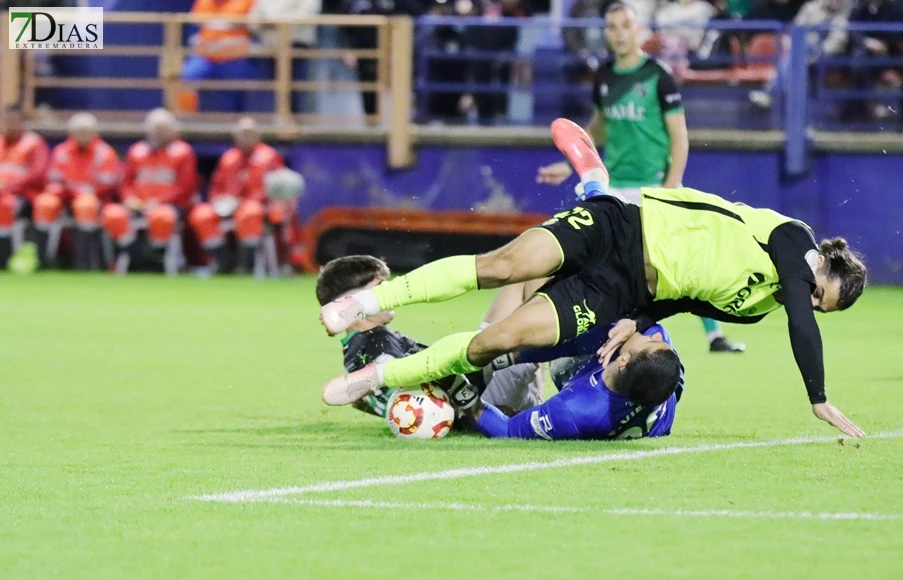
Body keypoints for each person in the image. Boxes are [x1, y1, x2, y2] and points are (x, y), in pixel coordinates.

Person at [320, 118, 868, 438]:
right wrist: (816, 396)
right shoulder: (794, 238)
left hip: (624, 290)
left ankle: (384, 375)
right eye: (823, 294)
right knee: (503, 267)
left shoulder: (757, 304)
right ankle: (368, 302)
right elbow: (801, 310)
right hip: (625, 227)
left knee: (499, 340)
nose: (814, 305)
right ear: (821, 261)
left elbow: (686, 301)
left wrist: (635, 320)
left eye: (824, 309)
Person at [536, 3, 744, 354]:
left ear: (638, 31)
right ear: (606, 33)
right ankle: (570, 331)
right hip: (613, 186)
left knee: (684, 259)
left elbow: (679, 135)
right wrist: (572, 163)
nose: (618, 33)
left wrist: (670, 187)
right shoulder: (604, 77)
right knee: (585, 257)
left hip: (653, 185)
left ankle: (714, 335)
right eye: (612, 27)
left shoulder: (658, 76)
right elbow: (600, 127)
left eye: (624, 26)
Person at [316, 255, 543, 419]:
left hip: (477, 382)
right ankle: (564, 382)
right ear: (354, 300)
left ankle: (536, 399)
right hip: (481, 394)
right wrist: (475, 413)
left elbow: (377, 397)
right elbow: (407, 392)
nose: (386, 295)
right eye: (380, 287)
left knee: (521, 277)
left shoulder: (355, 348)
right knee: (535, 310)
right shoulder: (378, 339)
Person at [471, 322, 683, 440]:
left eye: (649, 342)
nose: (655, 337)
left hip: (577, 386)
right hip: (653, 397)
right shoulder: (656, 376)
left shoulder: (575, 410)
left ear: (623, 360)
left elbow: (506, 430)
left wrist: (458, 392)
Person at [101, 109, 197, 275]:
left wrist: (158, 202)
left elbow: (185, 186)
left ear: (173, 130)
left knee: (161, 217)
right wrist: (130, 200)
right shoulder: (136, 151)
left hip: (167, 206)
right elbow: (125, 183)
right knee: (111, 213)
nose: (158, 132)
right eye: (155, 128)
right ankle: (135, 253)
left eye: (163, 128)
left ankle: (157, 258)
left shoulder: (183, 152)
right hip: (137, 205)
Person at [188, 117, 287, 273]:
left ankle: (246, 264)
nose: (245, 138)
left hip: (257, 206)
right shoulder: (229, 158)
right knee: (201, 214)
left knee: (250, 211)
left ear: (257, 135)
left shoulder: (269, 156)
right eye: (241, 134)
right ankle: (223, 261)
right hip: (227, 206)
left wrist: (243, 201)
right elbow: (216, 186)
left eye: (249, 133)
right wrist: (218, 200)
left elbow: (274, 189)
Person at [33, 113, 121, 270]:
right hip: (65, 198)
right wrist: (69, 190)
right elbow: (53, 179)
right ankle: (43, 260)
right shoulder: (62, 151)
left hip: (93, 200)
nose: (82, 136)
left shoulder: (105, 153)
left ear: (95, 133)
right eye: (79, 131)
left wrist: (78, 190)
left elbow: (107, 184)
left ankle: (83, 262)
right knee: (44, 203)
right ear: (71, 133)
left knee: (85, 205)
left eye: (86, 131)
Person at [179, 0, 256, 114]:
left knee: (239, 81)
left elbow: (255, 26)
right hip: (206, 57)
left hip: (234, 58)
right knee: (187, 76)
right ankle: (186, 119)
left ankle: (234, 120)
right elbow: (195, 22)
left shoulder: (246, 2)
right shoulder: (205, 2)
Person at [0, 103, 49, 269]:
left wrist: (7, 187)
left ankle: (3, 256)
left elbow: (37, 174)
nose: (10, 124)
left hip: (23, 196)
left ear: (22, 122)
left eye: (14, 120)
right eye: (7, 120)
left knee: (5, 205)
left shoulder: (33, 143)